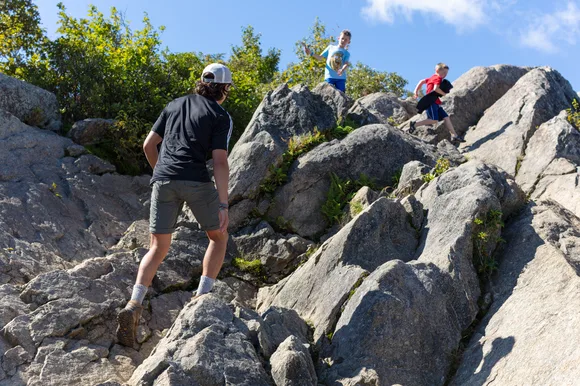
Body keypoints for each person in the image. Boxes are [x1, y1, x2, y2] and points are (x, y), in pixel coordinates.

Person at [116, 63, 233, 347]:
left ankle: (134, 303)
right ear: (224, 89)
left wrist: (162, 174)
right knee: (218, 237)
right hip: (195, 179)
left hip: (163, 179)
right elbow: (219, 161)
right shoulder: (220, 115)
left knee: (157, 247)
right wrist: (223, 202)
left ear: (201, 83)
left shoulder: (174, 104)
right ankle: (201, 298)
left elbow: (148, 146)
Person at [409, 63, 465, 143]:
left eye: (446, 73)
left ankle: (454, 136)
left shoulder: (432, 77)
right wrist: (444, 94)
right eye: (444, 73)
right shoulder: (438, 78)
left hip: (435, 102)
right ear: (437, 71)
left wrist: (416, 91)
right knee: (433, 120)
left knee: (446, 117)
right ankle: (414, 125)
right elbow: (436, 89)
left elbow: (422, 81)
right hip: (431, 101)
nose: (445, 75)